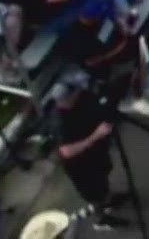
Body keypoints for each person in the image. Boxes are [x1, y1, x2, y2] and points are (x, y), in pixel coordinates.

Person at [52, 70, 131, 229]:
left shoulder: (81, 98)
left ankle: (108, 199)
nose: (80, 91)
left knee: (103, 178)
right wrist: (96, 135)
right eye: (76, 91)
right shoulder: (60, 122)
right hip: (80, 165)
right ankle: (101, 219)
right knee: (94, 194)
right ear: (68, 97)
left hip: (95, 154)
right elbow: (67, 151)